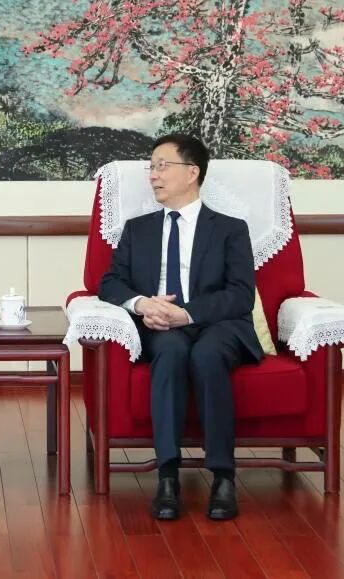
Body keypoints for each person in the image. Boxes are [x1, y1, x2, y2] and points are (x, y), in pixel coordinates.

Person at [99, 133, 261, 521]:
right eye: (151, 167)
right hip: (159, 325)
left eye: (162, 166)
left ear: (192, 172)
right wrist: (143, 304)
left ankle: (223, 477)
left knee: (207, 354)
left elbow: (241, 295)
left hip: (217, 323)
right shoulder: (138, 229)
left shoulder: (230, 228)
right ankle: (168, 477)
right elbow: (110, 283)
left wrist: (185, 314)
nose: (153, 175)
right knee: (170, 352)